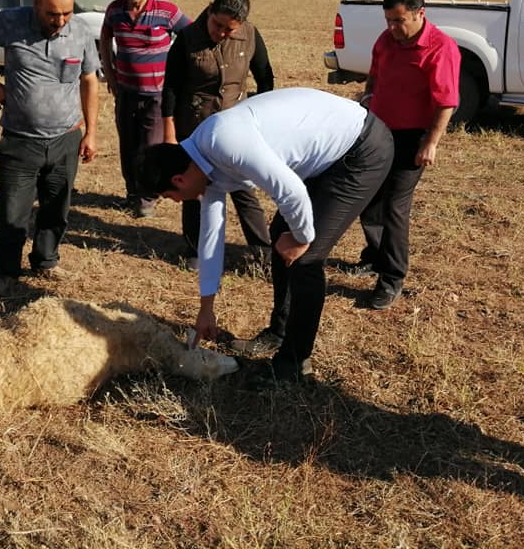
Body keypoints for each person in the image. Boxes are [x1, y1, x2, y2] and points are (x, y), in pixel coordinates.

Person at [138, 88, 394, 381]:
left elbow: (291, 192)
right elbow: (212, 234)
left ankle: (293, 365)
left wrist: (301, 237)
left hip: (361, 148)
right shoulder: (201, 161)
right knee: (279, 234)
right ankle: (279, 332)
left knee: (306, 257)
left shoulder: (223, 142)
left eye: (173, 196)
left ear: (179, 179)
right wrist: (206, 308)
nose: (180, 201)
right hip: (328, 156)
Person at [0, 0, 100, 299]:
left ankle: (46, 260)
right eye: (52, 14)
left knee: (57, 208)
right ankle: (5, 271)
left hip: (67, 137)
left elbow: (89, 80)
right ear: (35, 5)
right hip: (20, 139)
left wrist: (91, 133)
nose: (60, 21)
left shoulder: (81, 31)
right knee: (12, 212)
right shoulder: (10, 22)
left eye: (66, 14)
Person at [344, 0, 459, 310]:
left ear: (420, 14)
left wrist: (431, 143)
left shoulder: (441, 47)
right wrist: (366, 103)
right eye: (388, 20)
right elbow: (375, 77)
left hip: (414, 137)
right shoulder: (386, 41)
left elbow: (446, 102)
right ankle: (375, 255)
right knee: (368, 196)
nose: (393, 28)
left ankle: (391, 278)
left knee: (394, 205)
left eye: (399, 20)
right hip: (378, 130)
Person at [162, 0, 275, 278]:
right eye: (217, 25)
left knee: (244, 189)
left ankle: (264, 254)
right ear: (210, 11)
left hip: (236, 130)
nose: (221, 32)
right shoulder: (187, 38)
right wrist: (170, 132)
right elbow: (171, 87)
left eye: (229, 29)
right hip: (196, 126)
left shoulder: (250, 35)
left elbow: (265, 77)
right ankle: (195, 248)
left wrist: (262, 119)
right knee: (195, 192)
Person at [100, 0, 190, 218]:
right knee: (127, 145)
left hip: (157, 95)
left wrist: (179, 76)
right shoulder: (114, 10)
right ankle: (132, 191)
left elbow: (191, 37)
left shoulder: (166, 10)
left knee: (150, 147)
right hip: (126, 92)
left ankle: (148, 197)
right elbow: (105, 39)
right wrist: (110, 74)